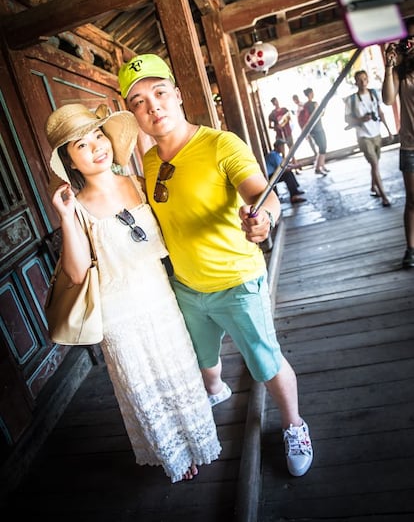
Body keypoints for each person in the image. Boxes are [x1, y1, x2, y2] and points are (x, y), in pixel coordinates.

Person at [118, 54, 314, 477]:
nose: (152, 106)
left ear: (178, 94)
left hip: (237, 281)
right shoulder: (149, 163)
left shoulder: (221, 144)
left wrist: (264, 218)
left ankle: (294, 424)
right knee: (202, 358)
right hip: (186, 287)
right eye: (138, 101)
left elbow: (262, 194)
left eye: (159, 93)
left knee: (266, 361)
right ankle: (215, 390)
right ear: (133, 113)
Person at [44, 103, 221, 483]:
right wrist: (63, 216)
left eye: (98, 136)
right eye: (81, 146)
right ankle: (173, 454)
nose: (96, 148)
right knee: (147, 384)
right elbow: (75, 273)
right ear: (70, 163)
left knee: (179, 371)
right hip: (119, 313)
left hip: (160, 298)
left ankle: (197, 439)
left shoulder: (138, 183)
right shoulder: (77, 208)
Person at [382, 17, 414, 268]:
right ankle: (411, 249)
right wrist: (388, 67)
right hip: (410, 144)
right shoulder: (400, 72)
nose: (410, 43)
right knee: (412, 199)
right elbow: (387, 98)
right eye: (407, 40)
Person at [344, 70, 392, 207]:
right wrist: (360, 119)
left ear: (368, 80)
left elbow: (380, 112)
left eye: (365, 79)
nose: (363, 82)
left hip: (376, 133)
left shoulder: (374, 94)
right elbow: (346, 118)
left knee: (375, 164)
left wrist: (388, 130)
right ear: (355, 82)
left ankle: (373, 186)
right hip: (363, 135)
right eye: (359, 80)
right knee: (375, 164)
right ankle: (384, 196)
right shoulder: (351, 100)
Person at [265, 140, 306, 205]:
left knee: (289, 172)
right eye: (282, 146)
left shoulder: (277, 155)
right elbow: (282, 169)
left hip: (273, 175)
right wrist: (294, 167)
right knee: (287, 174)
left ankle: (295, 191)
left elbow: (285, 165)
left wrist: (295, 166)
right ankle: (293, 197)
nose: (283, 148)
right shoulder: (273, 155)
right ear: (277, 147)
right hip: (269, 177)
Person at [303, 87, 329, 175]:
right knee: (322, 147)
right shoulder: (313, 104)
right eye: (312, 93)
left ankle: (321, 165)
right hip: (317, 128)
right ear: (310, 94)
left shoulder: (306, 106)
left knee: (322, 147)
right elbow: (320, 114)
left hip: (314, 129)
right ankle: (318, 167)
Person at [268, 97, 295, 161]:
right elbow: (269, 126)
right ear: (273, 104)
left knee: (292, 149)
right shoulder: (272, 114)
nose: (276, 103)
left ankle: (294, 162)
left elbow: (290, 118)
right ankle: (284, 165)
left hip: (287, 132)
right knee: (282, 152)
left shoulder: (284, 110)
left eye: (276, 101)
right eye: (274, 102)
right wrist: (276, 127)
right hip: (280, 134)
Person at [293, 93, 317, 158]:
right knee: (310, 139)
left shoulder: (303, 105)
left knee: (314, 137)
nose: (295, 101)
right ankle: (315, 152)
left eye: (296, 99)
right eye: (294, 100)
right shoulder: (296, 109)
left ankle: (318, 151)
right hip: (303, 125)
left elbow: (307, 114)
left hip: (308, 123)